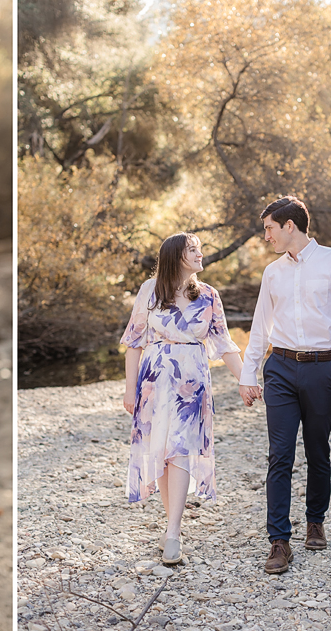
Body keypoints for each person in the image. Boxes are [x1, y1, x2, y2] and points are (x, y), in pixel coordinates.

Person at [238, 196, 331, 575]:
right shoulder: (272, 272)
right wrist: (249, 375)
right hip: (279, 367)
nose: (266, 237)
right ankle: (279, 541)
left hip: (322, 368)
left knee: (317, 449)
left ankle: (315, 520)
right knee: (280, 454)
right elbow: (260, 327)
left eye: (269, 228)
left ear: (290, 226)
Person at [122, 232, 244, 565]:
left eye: (200, 249)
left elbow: (224, 345)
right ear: (176, 256)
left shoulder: (208, 295)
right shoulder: (150, 292)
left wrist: (247, 379)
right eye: (193, 250)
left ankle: (173, 531)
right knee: (161, 451)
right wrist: (130, 389)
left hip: (192, 381)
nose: (200, 254)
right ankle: (170, 528)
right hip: (155, 380)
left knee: (180, 450)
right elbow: (133, 344)